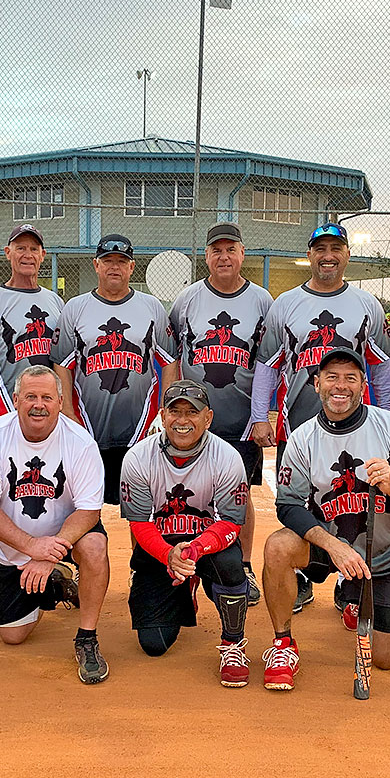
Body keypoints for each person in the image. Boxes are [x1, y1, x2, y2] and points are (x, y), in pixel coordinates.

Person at [263, 348, 390, 691]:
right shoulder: (302, 438)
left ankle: (353, 594)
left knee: (385, 659)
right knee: (278, 546)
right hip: (327, 545)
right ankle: (283, 643)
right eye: (332, 377)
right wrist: (333, 547)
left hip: (380, 552)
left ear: (362, 386)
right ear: (317, 384)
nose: (340, 386)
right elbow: (288, 506)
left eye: (350, 378)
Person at [252, 222, 390, 612]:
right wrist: (259, 416)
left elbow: (382, 368)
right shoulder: (286, 304)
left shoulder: (366, 305)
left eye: (336, 248)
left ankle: (349, 579)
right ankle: (302, 575)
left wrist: (388, 422)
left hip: (357, 429)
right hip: (298, 427)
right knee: (298, 502)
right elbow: (267, 365)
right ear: (310, 255)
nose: (328, 256)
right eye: (320, 249)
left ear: (347, 254)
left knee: (354, 502)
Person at [0, 365, 111, 684]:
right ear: (15, 400)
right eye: (30, 396)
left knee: (94, 545)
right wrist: (33, 547)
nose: (38, 405)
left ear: (60, 402)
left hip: (67, 536)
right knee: (12, 635)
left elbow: (89, 512)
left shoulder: (80, 443)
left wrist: (48, 553)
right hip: (21, 543)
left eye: (47, 397)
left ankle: (87, 637)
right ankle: (56, 584)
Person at [166, 222, 273, 607]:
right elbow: (173, 358)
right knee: (186, 495)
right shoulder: (187, 300)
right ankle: (188, 567)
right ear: (207, 256)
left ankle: (243, 565)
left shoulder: (262, 301)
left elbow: (269, 363)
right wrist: (170, 409)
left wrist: (262, 415)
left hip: (241, 422)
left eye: (230, 250)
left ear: (242, 254)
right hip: (191, 423)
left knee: (238, 496)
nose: (223, 257)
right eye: (216, 250)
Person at [120, 379, 252, 686]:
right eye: (175, 412)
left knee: (230, 565)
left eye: (192, 412)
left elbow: (231, 522)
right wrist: (169, 554)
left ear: (208, 417)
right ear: (163, 416)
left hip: (206, 546)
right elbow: (139, 523)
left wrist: (195, 549)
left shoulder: (227, 457)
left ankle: (233, 643)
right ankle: (184, 587)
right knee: (154, 644)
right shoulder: (138, 458)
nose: (183, 420)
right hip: (160, 548)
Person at [0, 223, 65, 599]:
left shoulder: (55, 303)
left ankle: (51, 560)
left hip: (45, 410)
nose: (27, 254)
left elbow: (61, 361)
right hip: (5, 405)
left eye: (34, 249)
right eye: (20, 248)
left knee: (45, 485)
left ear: (43, 256)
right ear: (7, 253)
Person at [52, 233, 176, 505]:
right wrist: (68, 413)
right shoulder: (75, 308)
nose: (114, 267)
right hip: (87, 426)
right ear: (96, 265)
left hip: (140, 427)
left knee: (142, 504)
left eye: (121, 261)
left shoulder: (151, 307)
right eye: (108, 260)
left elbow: (170, 362)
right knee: (83, 503)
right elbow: (61, 365)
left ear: (132, 267)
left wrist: (164, 411)